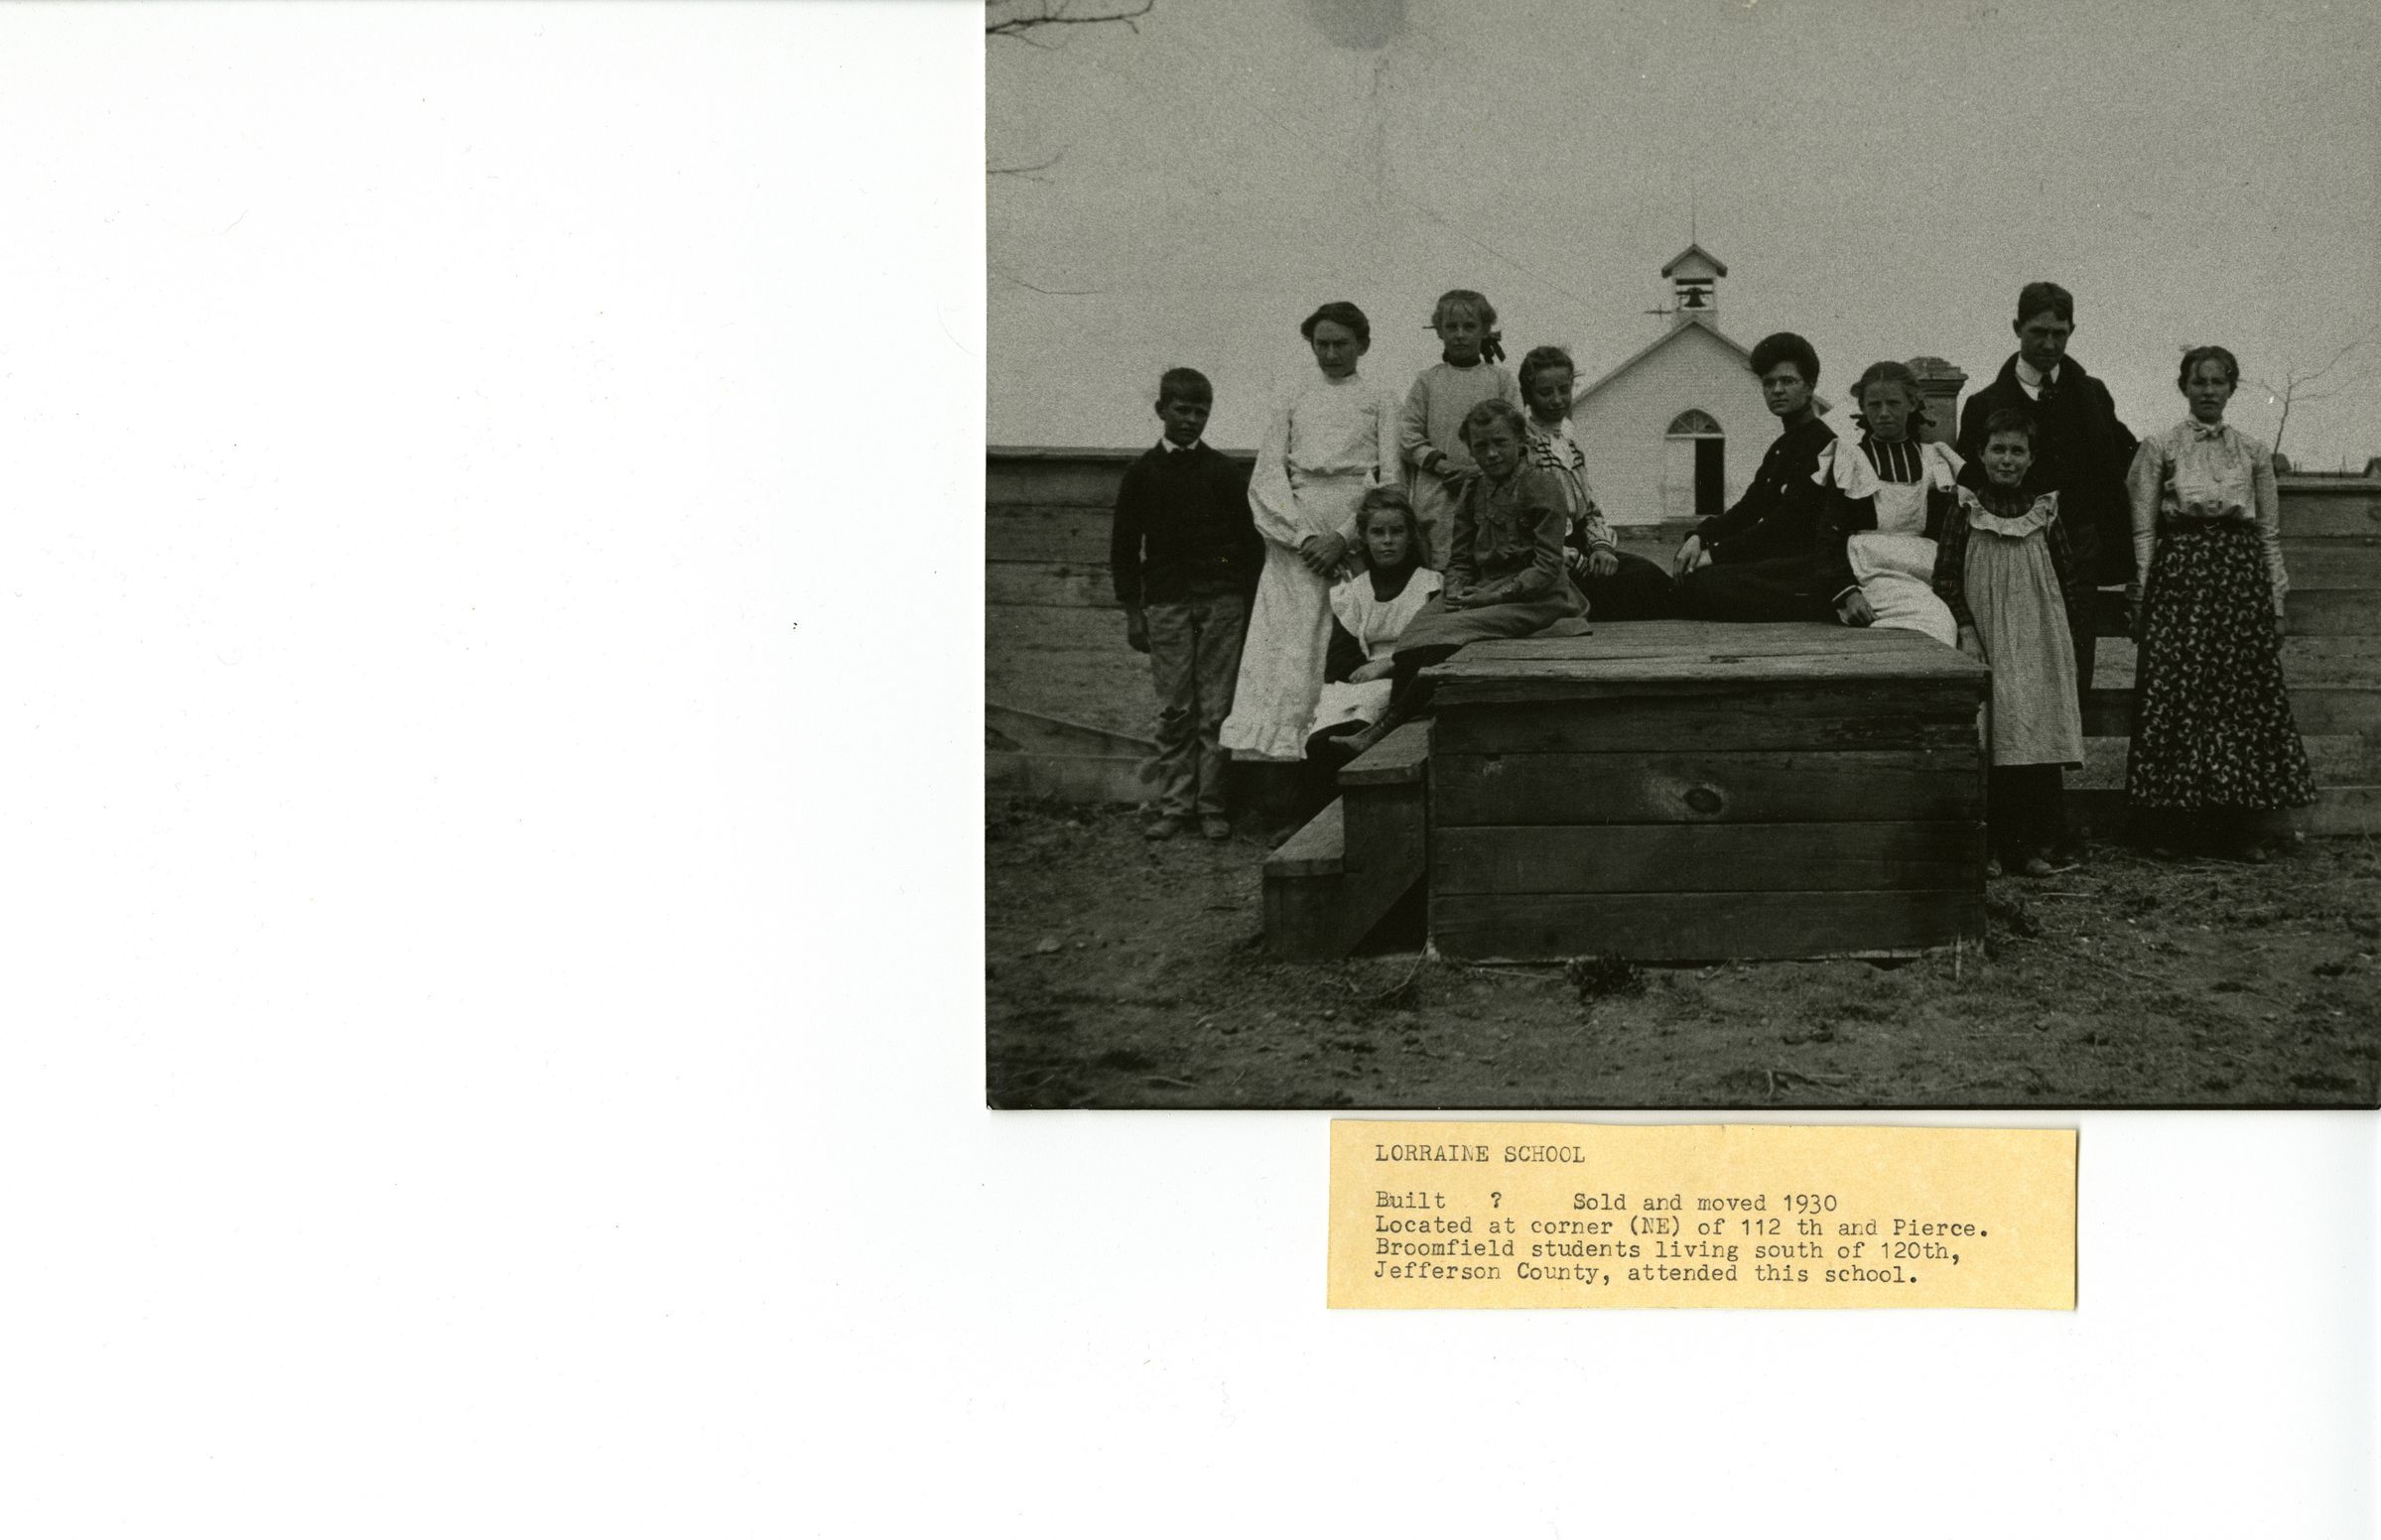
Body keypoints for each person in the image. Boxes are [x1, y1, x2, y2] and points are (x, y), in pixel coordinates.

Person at [2122, 345, 2316, 860]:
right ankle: (2175, 829)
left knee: (2238, 698)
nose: (2208, 390)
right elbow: (2144, 530)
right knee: (2178, 695)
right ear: (2183, 387)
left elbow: (2268, 535)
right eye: (2199, 381)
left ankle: (2237, 828)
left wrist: (2275, 603)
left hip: (2238, 581)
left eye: (2218, 381)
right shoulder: (2159, 447)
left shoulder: (2252, 452)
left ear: (2232, 387)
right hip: (2181, 578)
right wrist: (2143, 593)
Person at [1220, 301, 1401, 767]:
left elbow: (1390, 481)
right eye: (1322, 344)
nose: (1331, 354)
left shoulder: (1381, 398)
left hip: (1353, 543)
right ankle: (1279, 772)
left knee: (1340, 648)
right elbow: (1266, 478)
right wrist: (1303, 538)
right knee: (1289, 651)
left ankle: (1333, 761)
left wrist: (1343, 537)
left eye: (1341, 344)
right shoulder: (1293, 395)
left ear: (1363, 345)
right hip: (1295, 548)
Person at [1955, 280, 2137, 708]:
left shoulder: (2093, 395)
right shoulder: (1984, 404)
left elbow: (2124, 461)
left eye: (2060, 333)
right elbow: (1968, 492)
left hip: (2079, 553)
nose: (2050, 344)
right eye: (2039, 332)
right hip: (2009, 556)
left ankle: (2063, 750)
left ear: (2072, 331)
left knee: (2073, 668)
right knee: (2013, 667)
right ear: (2017, 328)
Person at [1111, 366, 1263, 840]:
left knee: (1216, 708)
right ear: (1161, 410)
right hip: (1167, 604)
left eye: (1201, 411)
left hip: (1222, 605)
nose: (1191, 419)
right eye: (1182, 409)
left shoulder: (1223, 473)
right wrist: (1134, 612)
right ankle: (1175, 804)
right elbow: (1123, 547)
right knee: (1175, 708)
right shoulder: (1141, 474)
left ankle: (1211, 805)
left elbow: (1249, 546)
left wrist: (1243, 604)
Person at [1933, 409, 2085, 877]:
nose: (2007, 459)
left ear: (2031, 458)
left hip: (2037, 640)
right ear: (1980, 454)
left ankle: (2030, 847)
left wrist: (2061, 642)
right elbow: (1945, 577)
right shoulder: (1964, 510)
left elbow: (2067, 579)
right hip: (1986, 640)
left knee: (2031, 740)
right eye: (1998, 449)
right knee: (1992, 739)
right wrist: (1967, 631)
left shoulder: (2045, 511)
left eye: (2017, 450)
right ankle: (1990, 848)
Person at [1385, 399, 1590, 693]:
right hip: (1482, 588)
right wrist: (1455, 589)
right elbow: (1460, 558)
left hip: (1536, 597)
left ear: (1520, 440)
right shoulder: (1473, 489)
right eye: (1480, 446)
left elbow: (1547, 566)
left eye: (1500, 442)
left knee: (1448, 631)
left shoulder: (1542, 486)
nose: (1491, 454)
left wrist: (1493, 597)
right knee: (1417, 629)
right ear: (1470, 450)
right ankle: (1399, 711)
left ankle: (1408, 713)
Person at [1673, 332, 1837, 620]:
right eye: (1768, 383)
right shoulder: (1782, 446)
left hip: (1805, 564)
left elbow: (1785, 525)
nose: (1777, 390)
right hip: (1776, 560)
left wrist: (1715, 553)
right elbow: (1750, 508)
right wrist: (1700, 536)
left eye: (1788, 381)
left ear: (1810, 386)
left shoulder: (1822, 443)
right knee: (1695, 577)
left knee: (1706, 584)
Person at [1518, 344, 1676, 620]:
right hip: (1547, 556)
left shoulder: (1570, 446)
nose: (1557, 400)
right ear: (1528, 395)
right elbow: (1522, 524)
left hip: (1583, 547)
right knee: (1635, 592)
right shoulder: (1524, 448)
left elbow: (1590, 510)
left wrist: (1602, 548)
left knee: (1650, 575)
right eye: (1545, 392)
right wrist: (1574, 559)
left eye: (1564, 390)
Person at [1810, 360, 1961, 646]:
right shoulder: (1850, 459)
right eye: (1874, 404)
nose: (1883, 413)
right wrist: (1846, 592)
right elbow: (1828, 536)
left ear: (1912, 403)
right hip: (1869, 574)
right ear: (1863, 407)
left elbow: (1947, 534)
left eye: (1893, 403)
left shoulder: (1934, 460)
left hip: (1925, 571)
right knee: (1936, 621)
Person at [1306, 488, 1442, 761]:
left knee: (1362, 728)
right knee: (1320, 740)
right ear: (1364, 537)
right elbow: (1340, 662)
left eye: (1397, 531)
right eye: (1378, 533)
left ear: (1410, 536)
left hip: (1407, 682)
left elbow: (1434, 647)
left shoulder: (1430, 585)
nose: (1387, 541)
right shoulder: (1355, 592)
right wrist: (1367, 672)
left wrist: (1389, 665)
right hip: (1360, 682)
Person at [1399, 289, 1522, 569]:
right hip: (1439, 497)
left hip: (1492, 493)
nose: (1460, 334)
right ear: (1439, 331)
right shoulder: (1427, 381)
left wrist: (1475, 472)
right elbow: (1407, 436)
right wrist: (1441, 466)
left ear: (1485, 330)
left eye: (1469, 326)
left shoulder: (1501, 381)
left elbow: (1519, 437)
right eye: (1451, 327)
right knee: (1443, 569)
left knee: (1491, 568)